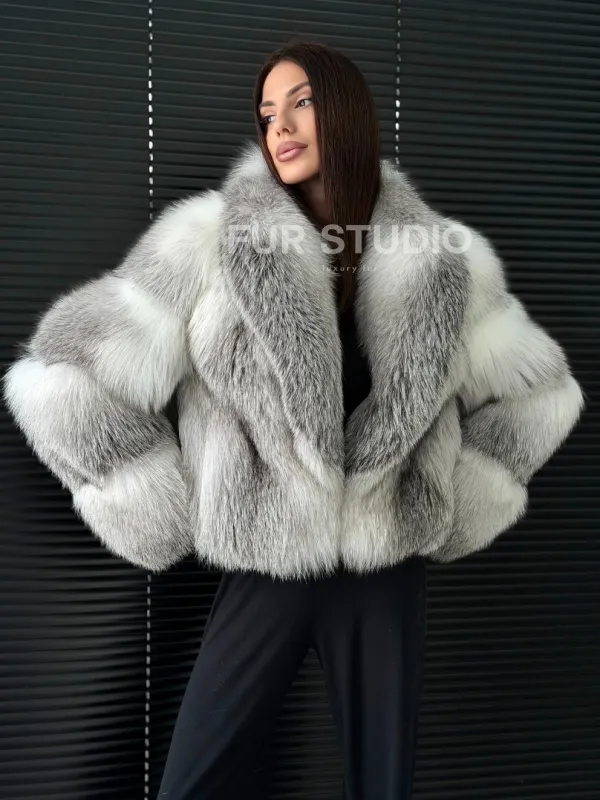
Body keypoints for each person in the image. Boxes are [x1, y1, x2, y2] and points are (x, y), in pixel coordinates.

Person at [2, 41, 584, 800]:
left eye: (301, 102)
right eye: (267, 111)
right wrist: (156, 501)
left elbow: (541, 394)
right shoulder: (208, 241)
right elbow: (62, 375)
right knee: (191, 782)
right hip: (265, 560)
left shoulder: (442, 259)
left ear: (345, 112)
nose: (279, 125)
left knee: (384, 787)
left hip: (384, 572)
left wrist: (455, 503)